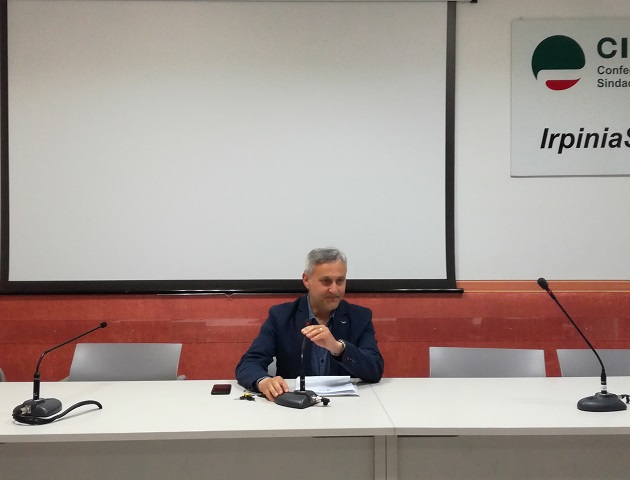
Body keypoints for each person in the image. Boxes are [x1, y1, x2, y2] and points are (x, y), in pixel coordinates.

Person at [235, 247, 384, 401]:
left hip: (346, 404)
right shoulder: (281, 316)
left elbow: (375, 370)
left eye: (340, 281)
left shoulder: (360, 317)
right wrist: (263, 381)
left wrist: (338, 348)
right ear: (307, 280)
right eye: (326, 281)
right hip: (296, 405)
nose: (334, 289)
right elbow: (249, 363)